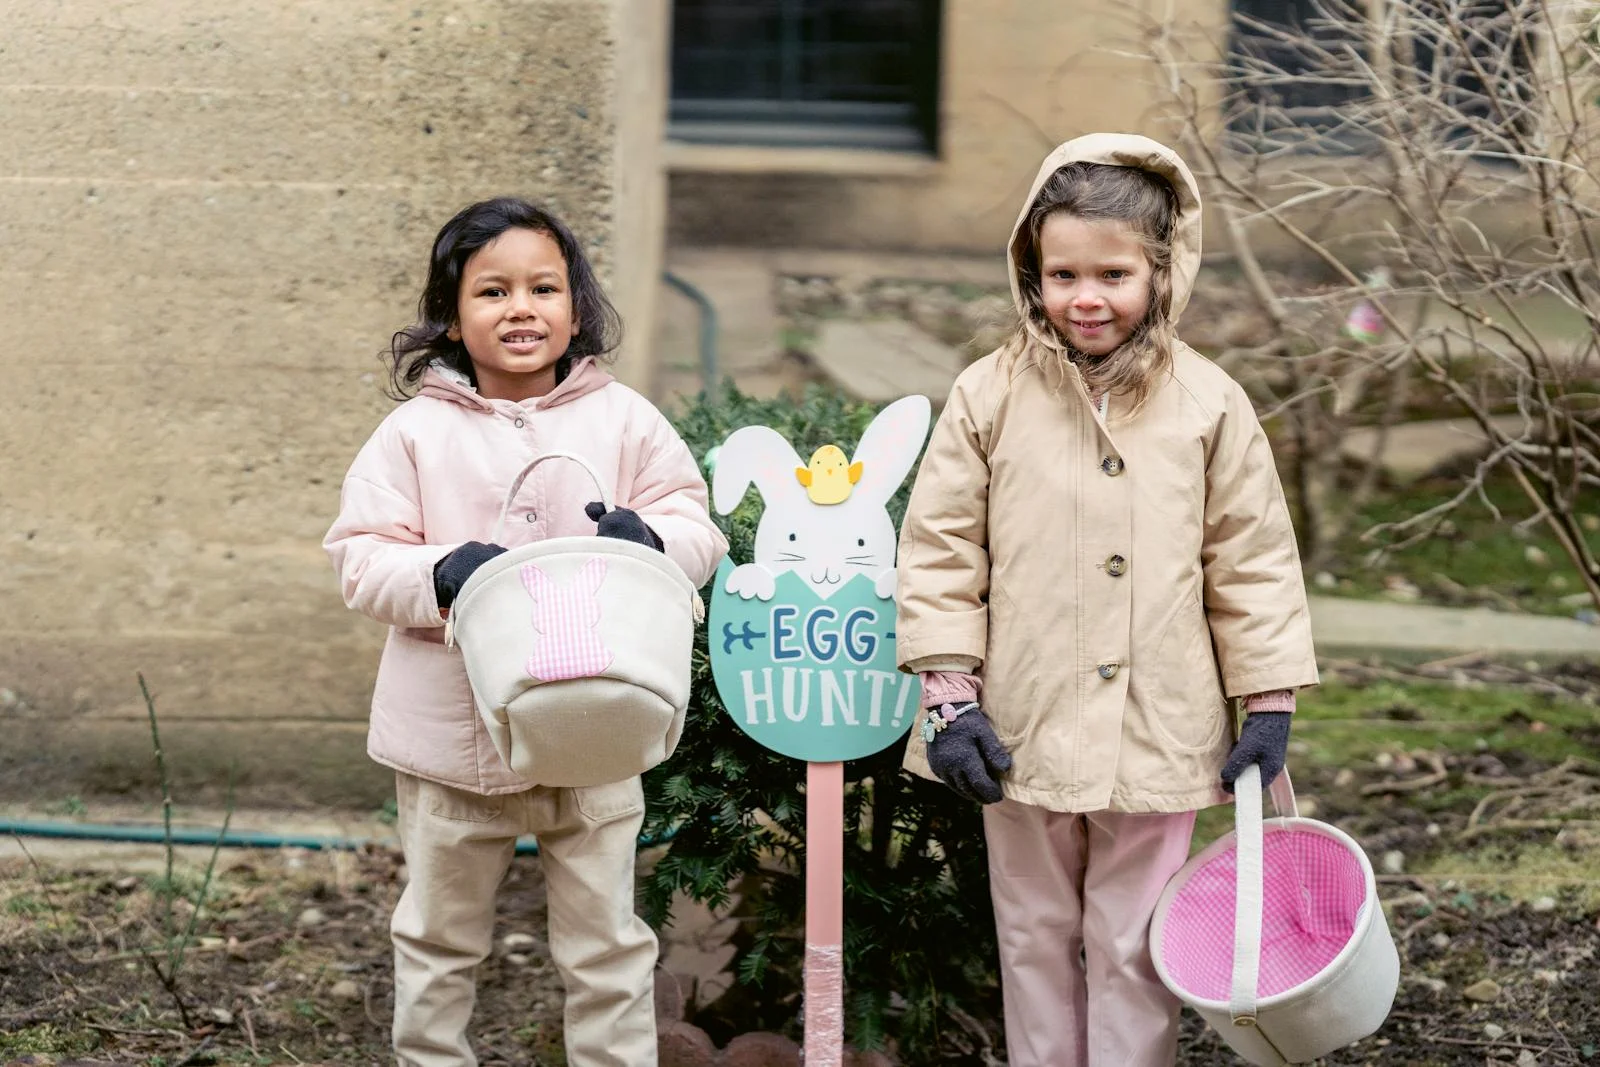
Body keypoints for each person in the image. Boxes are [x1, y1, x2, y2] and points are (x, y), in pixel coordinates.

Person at [894, 133, 1319, 1066]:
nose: (1086, 298)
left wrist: (1269, 700)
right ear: (1030, 272)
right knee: (1033, 928)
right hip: (1022, 717)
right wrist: (950, 696)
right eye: (1062, 274)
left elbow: (1248, 557)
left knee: (1134, 940)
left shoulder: (1209, 403)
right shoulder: (989, 393)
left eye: (1114, 274)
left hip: (1158, 720)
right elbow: (939, 548)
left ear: (1162, 273)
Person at [324, 197, 727, 1067]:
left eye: (544, 287)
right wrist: (438, 575)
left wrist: (653, 542)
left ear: (576, 309)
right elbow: (360, 557)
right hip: (452, 741)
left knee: (608, 942)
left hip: (598, 725)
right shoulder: (413, 434)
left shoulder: (624, 420)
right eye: (492, 290)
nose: (520, 308)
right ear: (451, 316)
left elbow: (696, 523)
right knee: (438, 936)